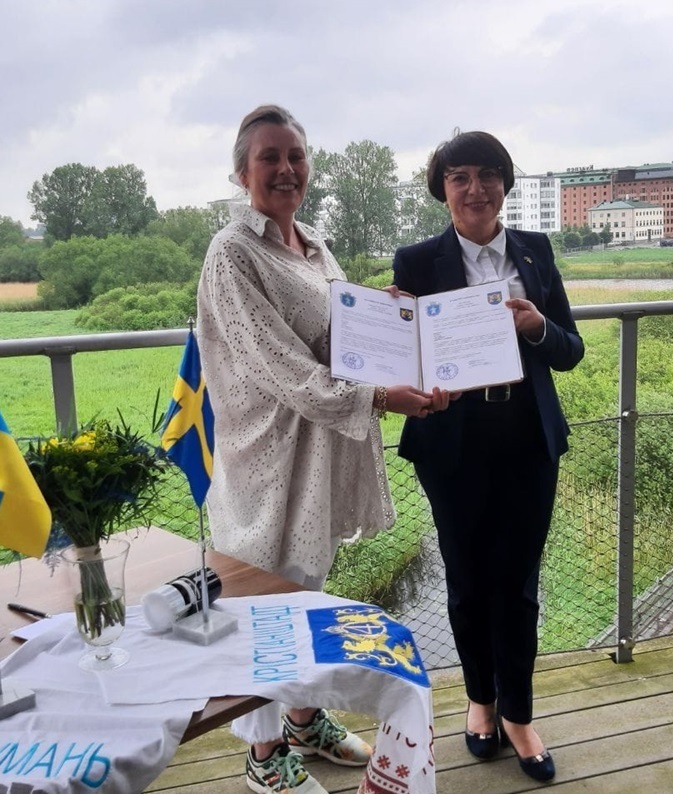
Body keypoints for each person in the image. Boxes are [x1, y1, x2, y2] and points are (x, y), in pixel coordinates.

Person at [196, 104, 449, 794]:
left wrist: (382, 313)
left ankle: (304, 721)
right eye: (269, 158)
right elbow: (277, 365)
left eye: (296, 156)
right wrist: (380, 396)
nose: (286, 169)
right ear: (242, 172)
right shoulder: (232, 252)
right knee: (263, 609)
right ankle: (263, 753)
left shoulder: (313, 245)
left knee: (305, 591)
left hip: (316, 452)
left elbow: (334, 335)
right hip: (267, 457)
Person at [391, 130, 585, 783]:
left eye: (488, 174)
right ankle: (480, 700)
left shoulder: (535, 250)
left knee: (519, 585)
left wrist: (537, 327)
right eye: (459, 177)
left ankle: (519, 715)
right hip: (452, 445)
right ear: (442, 190)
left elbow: (570, 349)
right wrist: (392, 326)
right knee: (467, 580)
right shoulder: (417, 262)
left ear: (505, 183)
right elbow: (402, 358)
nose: (475, 189)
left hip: (528, 438)